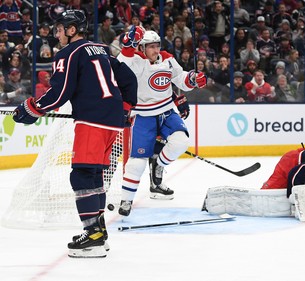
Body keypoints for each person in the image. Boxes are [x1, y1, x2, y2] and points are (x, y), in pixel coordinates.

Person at [11, 10, 137, 258]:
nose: (56, 34)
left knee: (81, 175)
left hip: (92, 120)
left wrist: (32, 109)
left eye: (59, 29)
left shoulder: (69, 53)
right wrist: (125, 108)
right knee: (94, 175)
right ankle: (99, 230)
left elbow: (60, 93)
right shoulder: (100, 49)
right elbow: (129, 78)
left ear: (71, 30)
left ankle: (92, 236)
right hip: (112, 121)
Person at [116, 26, 207, 216]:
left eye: (157, 46)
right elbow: (121, 64)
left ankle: (158, 164)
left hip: (166, 111)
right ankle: (126, 200)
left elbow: (180, 79)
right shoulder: (135, 61)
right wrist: (126, 44)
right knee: (137, 162)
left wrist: (193, 79)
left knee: (181, 142)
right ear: (141, 48)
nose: (155, 50)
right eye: (151, 47)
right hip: (143, 115)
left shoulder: (167, 58)